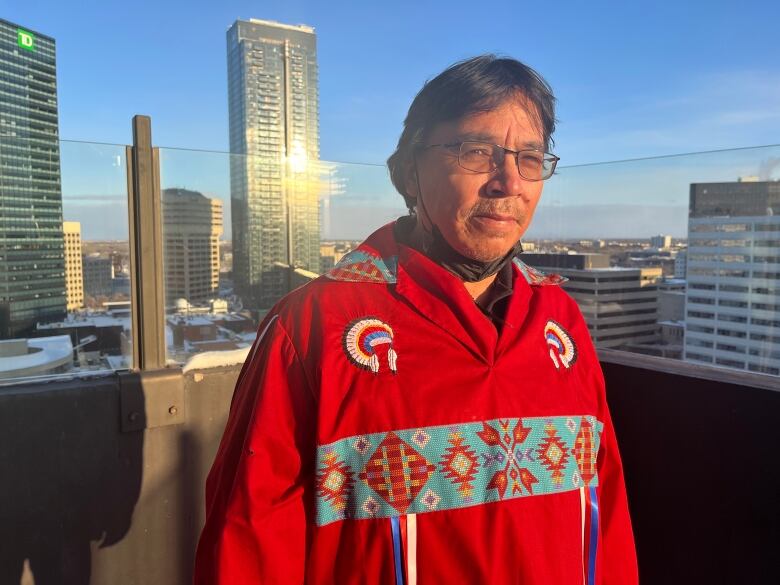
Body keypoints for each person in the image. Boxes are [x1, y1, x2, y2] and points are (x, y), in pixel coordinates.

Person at [194, 54, 638, 584]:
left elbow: (606, 515)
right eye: (477, 152)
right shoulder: (316, 327)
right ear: (407, 173)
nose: (509, 182)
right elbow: (249, 547)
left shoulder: (559, 321)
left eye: (530, 158)